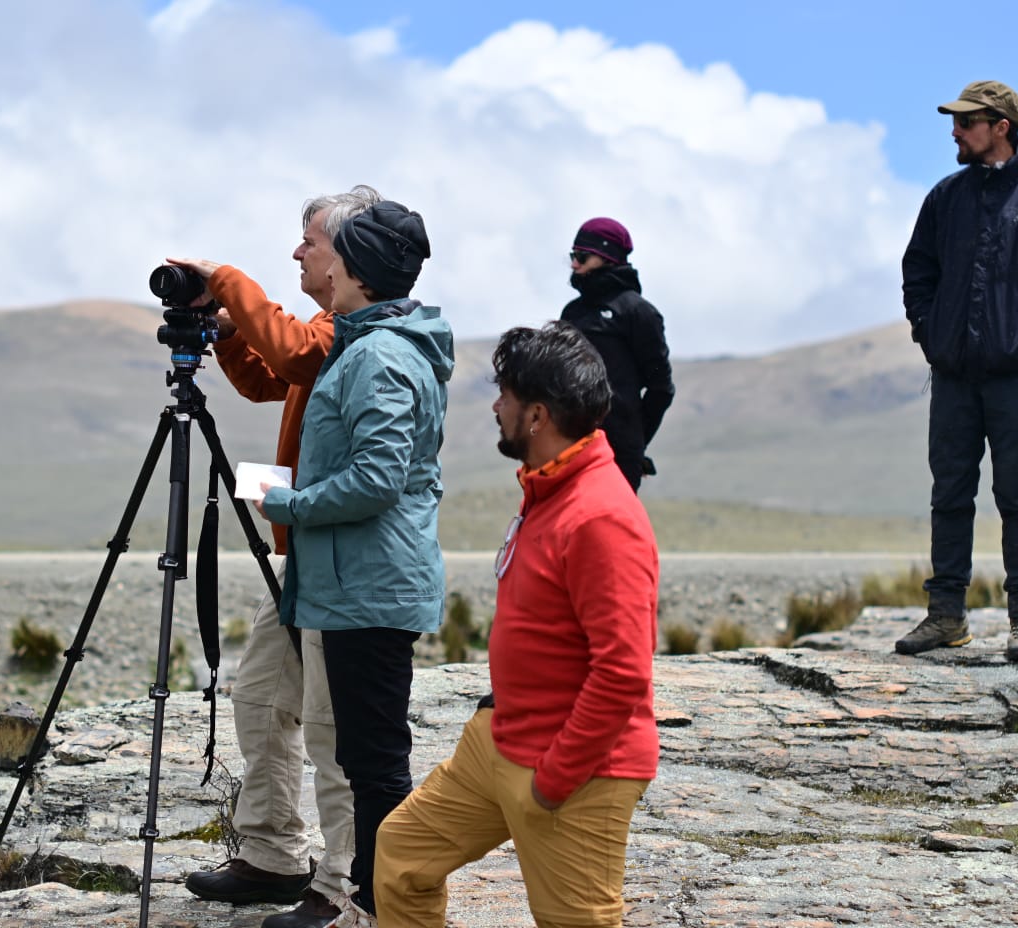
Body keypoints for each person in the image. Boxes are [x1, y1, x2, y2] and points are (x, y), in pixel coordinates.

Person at [373, 321, 659, 928]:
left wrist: (555, 780)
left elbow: (623, 671)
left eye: (505, 395)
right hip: (499, 739)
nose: (496, 406)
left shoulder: (601, 515)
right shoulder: (548, 490)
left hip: (572, 769)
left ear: (537, 415)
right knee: (403, 855)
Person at [167, 184, 382, 928]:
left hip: (333, 557)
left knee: (328, 727)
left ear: (349, 255)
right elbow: (266, 379)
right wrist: (227, 330)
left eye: (309, 241)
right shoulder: (325, 323)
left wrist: (223, 277)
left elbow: (291, 358)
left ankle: (340, 881)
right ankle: (269, 856)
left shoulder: (350, 333)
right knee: (261, 697)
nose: (297, 251)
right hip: (296, 556)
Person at [257, 200, 453, 927]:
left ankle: (384, 909)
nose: (318, 264)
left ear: (357, 269)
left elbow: (377, 477)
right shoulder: (375, 345)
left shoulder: (379, 355)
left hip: (369, 586)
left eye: (328, 252)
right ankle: (377, 905)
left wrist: (292, 505)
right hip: (355, 582)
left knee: (373, 766)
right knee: (370, 761)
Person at [897, 81, 1018, 663]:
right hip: (952, 374)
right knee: (949, 492)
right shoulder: (944, 197)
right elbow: (917, 270)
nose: (954, 131)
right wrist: (929, 332)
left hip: (1017, 374)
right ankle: (946, 617)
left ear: (1000, 125)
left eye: (966, 122)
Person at [560, 217, 675, 492]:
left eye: (582, 256)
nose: (575, 264)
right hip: (566, 449)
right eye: (572, 256)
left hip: (616, 456)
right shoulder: (572, 313)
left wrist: (634, 443)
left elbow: (661, 388)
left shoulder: (639, 313)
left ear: (607, 257)